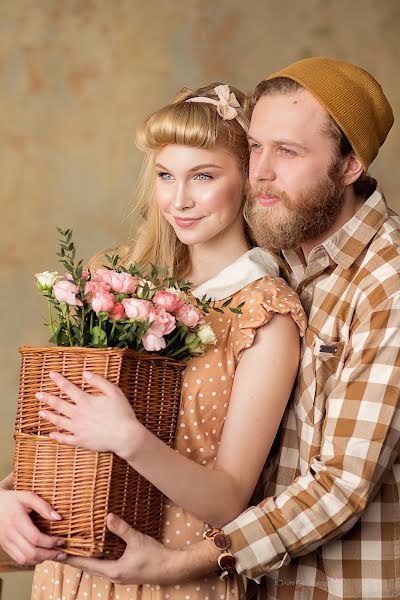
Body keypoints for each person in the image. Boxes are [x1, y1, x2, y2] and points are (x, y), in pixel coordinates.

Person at [34, 57, 399, 600]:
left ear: (350, 165)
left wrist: (177, 564)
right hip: (136, 564)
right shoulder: (292, 256)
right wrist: (17, 495)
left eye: (289, 151)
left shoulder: (371, 287)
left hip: (319, 581)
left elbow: (336, 487)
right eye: (255, 148)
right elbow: (75, 429)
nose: (262, 171)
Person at [0, 83, 306, 599]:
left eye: (203, 177)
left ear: (248, 181)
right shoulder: (112, 280)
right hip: (70, 573)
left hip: (171, 578)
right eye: (165, 176)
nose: (179, 200)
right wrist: (8, 497)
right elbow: (58, 428)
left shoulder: (266, 316)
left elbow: (228, 501)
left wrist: (129, 439)